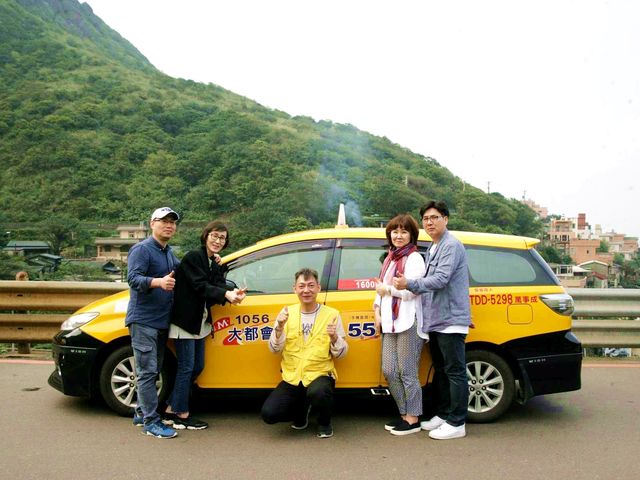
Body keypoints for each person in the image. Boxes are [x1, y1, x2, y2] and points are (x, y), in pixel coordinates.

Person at [393, 200, 471, 440]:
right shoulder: (434, 247)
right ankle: (445, 414)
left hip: (450, 319)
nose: (429, 222)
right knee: (443, 370)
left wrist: (409, 283)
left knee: (455, 372)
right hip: (437, 319)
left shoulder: (451, 245)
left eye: (435, 217)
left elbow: (441, 279)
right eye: (426, 219)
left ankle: (457, 422)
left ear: (445, 219)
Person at [163, 221, 246, 430]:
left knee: (197, 366)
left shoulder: (211, 261)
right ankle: (180, 413)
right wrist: (226, 294)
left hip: (199, 323)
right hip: (185, 322)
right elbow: (200, 286)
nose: (218, 241)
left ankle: (172, 407)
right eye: (214, 236)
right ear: (206, 235)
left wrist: (231, 291)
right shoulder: (193, 257)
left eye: (222, 238)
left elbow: (217, 284)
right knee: (186, 367)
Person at [261, 268, 348, 438]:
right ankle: (301, 410)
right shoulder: (286, 314)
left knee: (318, 392)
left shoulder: (332, 314)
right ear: (294, 289)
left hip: (319, 374)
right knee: (269, 414)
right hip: (293, 377)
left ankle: (324, 423)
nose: (306, 290)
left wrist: (334, 338)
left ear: (318, 288)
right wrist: (279, 328)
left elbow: (342, 354)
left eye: (311, 285)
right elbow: (274, 349)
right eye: (301, 286)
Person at [125, 207, 181, 439]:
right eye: (163, 221)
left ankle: (141, 412)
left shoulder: (167, 252)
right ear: (152, 224)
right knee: (147, 372)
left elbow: (184, 270)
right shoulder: (142, 249)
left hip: (160, 322)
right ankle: (151, 421)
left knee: (153, 369)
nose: (169, 225)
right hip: (144, 321)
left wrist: (212, 259)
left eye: (172, 222)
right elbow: (133, 278)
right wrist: (158, 282)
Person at [374, 214, 427, 436]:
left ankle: (413, 418)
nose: (398, 235)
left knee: (407, 371)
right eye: (395, 231)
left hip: (408, 321)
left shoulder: (414, 259)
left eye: (404, 231)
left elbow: (412, 290)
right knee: (389, 370)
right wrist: (377, 310)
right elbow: (379, 288)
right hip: (389, 322)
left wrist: (388, 290)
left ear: (411, 235)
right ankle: (404, 413)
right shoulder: (390, 258)